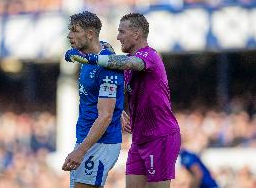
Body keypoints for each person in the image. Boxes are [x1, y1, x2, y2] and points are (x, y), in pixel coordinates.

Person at [65, 13, 181, 188]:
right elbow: (108, 52)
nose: (118, 36)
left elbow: (132, 63)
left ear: (136, 34)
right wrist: (119, 110)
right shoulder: (121, 61)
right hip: (139, 137)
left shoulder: (149, 56)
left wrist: (92, 58)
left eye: (122, 32)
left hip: (160, 136)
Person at [62, 11, 124, 188]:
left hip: (100, 144)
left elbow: (105, 116)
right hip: (86, 139)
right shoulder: (87, 56)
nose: (69, 35)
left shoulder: (107, 67)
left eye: (75, 31)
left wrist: (81, 150)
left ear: (90, 34)